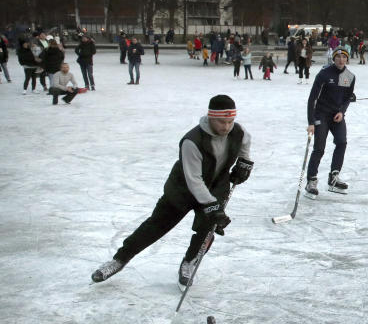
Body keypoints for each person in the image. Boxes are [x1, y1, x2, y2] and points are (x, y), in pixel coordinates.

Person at [91, 95, 253, 285]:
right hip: (182, 190)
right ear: (210, 117)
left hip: (216, 187)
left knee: (206, 230)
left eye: (230, 121)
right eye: (221, 121)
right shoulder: (192, 141)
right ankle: (119, 259)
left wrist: (245, 163)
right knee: (155, 226)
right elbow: (194, 179)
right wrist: (212, 206)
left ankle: (189, 262)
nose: (226, 127)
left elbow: (245, 145)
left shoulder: (238, 132)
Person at [305, 48, 354, 194]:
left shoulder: (350, 77)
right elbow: (312, 98)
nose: (341, 60)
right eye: (338, 57)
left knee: (341, 142)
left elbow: (348, 98)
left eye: (344, 57)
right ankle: (311, 180)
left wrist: (342, 112)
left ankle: (334, 176)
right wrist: (311, 121)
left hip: (336, 116)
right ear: (334, 59)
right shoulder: (324, 74)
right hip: (321, 115)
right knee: (319, 148)